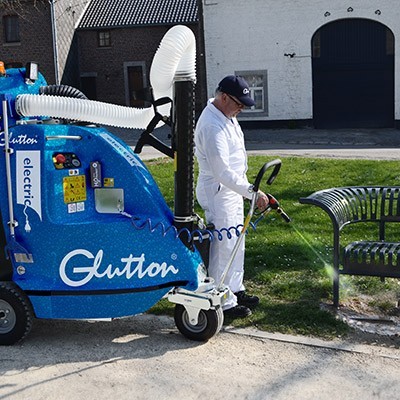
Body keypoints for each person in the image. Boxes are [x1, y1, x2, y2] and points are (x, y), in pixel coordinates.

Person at [194, 75, 269, 318]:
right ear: (223, 97)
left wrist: (246, 190)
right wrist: (252, 192)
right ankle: (221, 300)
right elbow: (222, 171)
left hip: (233, 188)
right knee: (223, 245)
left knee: (237, 240)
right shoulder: (211, 125)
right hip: (218, 190)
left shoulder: (227, 115)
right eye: (239, 104)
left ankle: (235, 288)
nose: (241, 109)